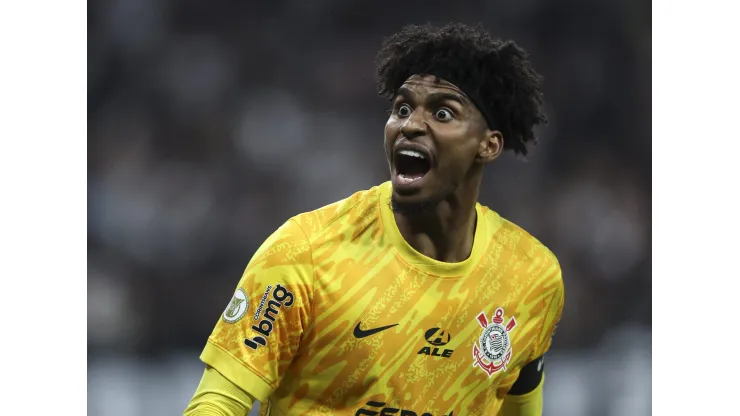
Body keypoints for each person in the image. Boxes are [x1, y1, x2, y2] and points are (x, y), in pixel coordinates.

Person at [184, 22, 564, 416]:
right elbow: (218, 402)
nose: (411, 125)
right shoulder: (307, 252)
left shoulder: (532, 276)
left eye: (442, 112)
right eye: (402, 108)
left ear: (488, 144)